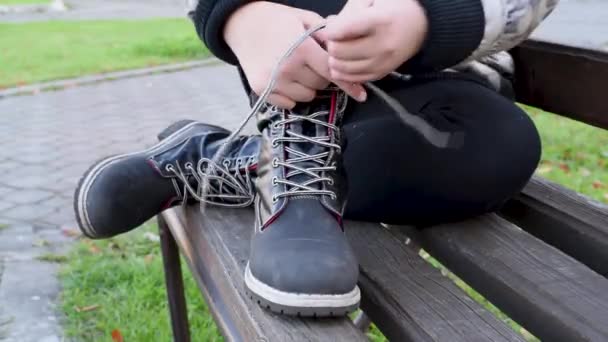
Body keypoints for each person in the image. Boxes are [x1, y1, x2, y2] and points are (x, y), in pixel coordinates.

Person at [73, 0, 559, 317]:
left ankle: (219, 159)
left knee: (499, 145)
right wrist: (240, 14)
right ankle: (298, 166)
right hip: (300, 76)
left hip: (439, 88)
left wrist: (430, 17)